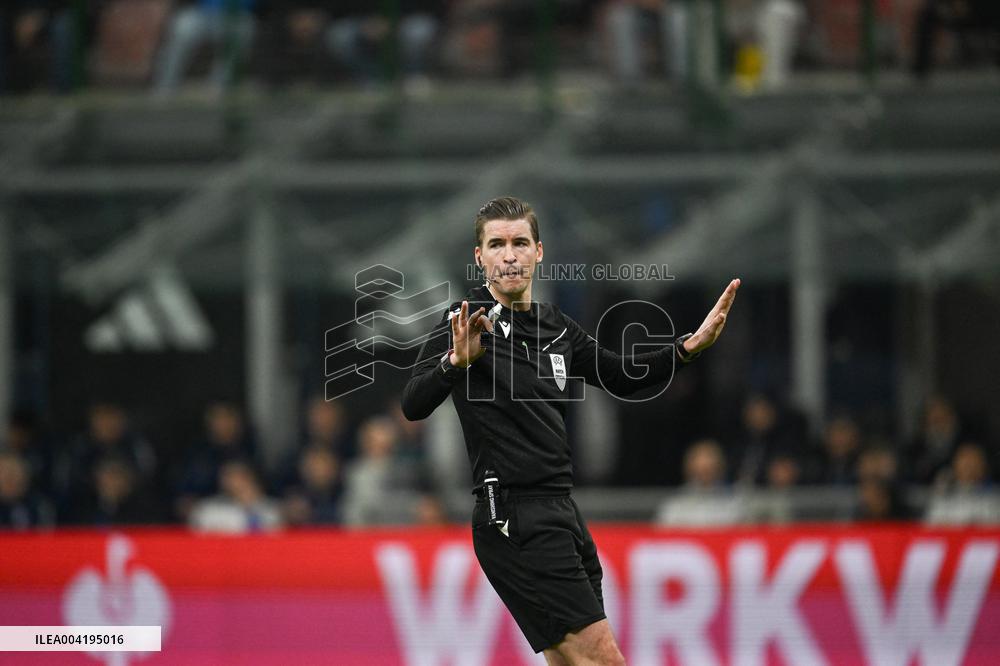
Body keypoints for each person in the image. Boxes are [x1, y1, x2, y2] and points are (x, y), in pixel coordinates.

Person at [401, 196, 739, 664]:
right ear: (479, 258)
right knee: (603, 658)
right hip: (513, 516)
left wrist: (686, 348)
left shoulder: (554, 327)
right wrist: (455, 363)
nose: (510, 254)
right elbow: (413, 404)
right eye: (496, 244)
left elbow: (620, 375)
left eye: (520, 242)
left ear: (539, 252)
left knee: (572, 662)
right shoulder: (464, 324)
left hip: (562, 511)